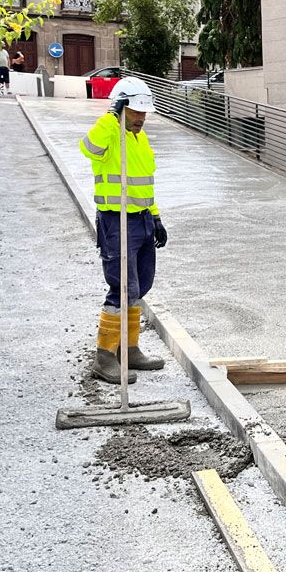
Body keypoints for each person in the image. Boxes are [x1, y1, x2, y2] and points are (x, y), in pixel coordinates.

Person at [78, 76, 169, 383]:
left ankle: (129, 350)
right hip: (116, 221)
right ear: (120, 108)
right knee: (121, 287)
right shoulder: (109, 134)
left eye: (145, 112)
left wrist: (155, 218)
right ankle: (104, 357)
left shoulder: (138, 139)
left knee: (140, 286)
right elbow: (88, 148)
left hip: (141, 219)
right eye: (135, 112)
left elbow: (145, 183)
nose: (141, 118)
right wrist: (110, 117)